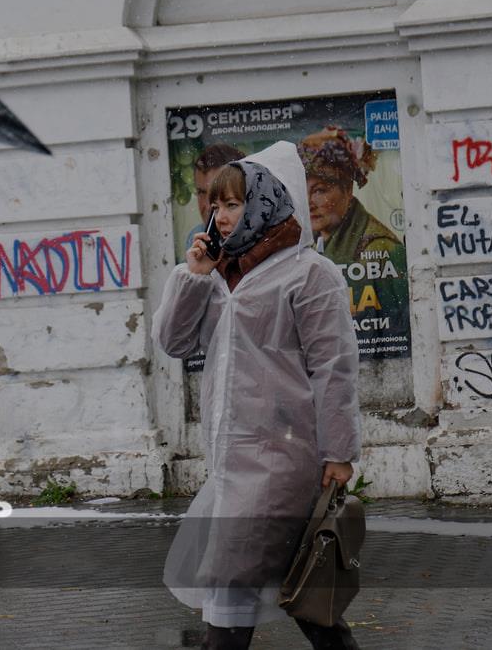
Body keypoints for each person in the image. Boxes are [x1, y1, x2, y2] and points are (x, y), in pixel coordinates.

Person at [153, 141, 362, 650]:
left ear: (268, 200)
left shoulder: (310, 275)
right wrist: (193, 278)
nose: (220, 216)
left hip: (281, 456)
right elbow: (174, 342)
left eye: (233, 204)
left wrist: (339, 452)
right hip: (230, 460)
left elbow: (333, 368)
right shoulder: (222, 275)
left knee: (229, 584)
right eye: (216, 205)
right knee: (299, 594)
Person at [299, 126, 410, 343]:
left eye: (320, 190)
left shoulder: (379, 248)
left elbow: (399, 331)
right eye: (302, 192)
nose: (309, 203)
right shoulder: (316, 243)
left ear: (348, 190)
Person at [185, 143, 247, 251]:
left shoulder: (264, 242)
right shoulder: (196, 238)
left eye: (218, 193)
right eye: (201, 192)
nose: (209, 206)